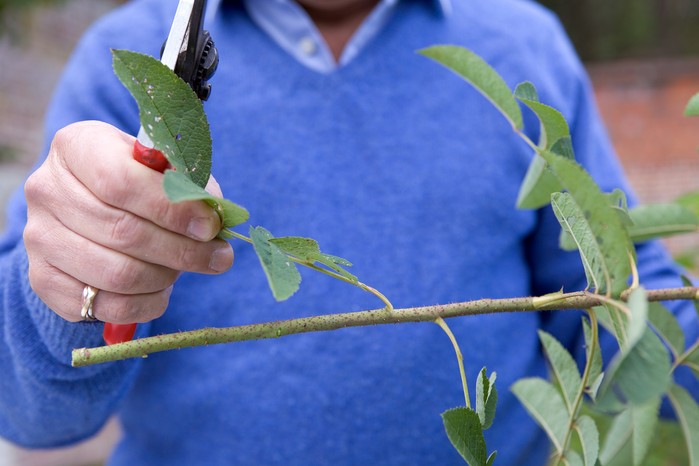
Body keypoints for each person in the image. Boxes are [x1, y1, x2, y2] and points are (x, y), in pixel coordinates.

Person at [0, 0, 697, 464]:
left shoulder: (522, 41)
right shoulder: (125, 56)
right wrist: (75, 290)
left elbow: (630, 290)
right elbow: (28, 415)